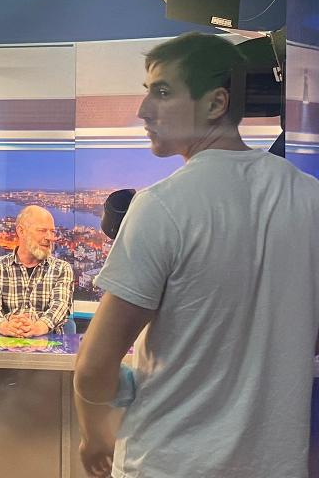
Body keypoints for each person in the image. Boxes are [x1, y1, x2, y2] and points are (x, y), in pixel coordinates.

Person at [74, 32, 319, 478]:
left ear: (216, 103)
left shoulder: (162, 205)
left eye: (163, 92)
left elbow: (93, 368)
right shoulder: (310, 197)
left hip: (169, 463)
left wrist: (94, 435)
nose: (144, 109)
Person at [0, 205, 74, 337]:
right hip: (5, 343)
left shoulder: (62, 269)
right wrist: (6, 326)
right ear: (21, 231)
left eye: (52, 231)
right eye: (42, 230)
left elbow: (60, 306)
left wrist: (37, 328)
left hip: (49, 344)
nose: (50, 237)